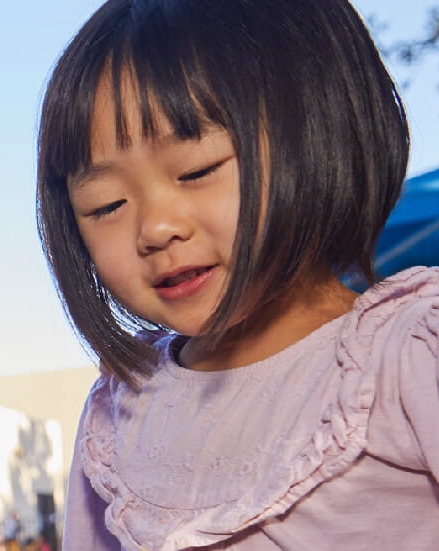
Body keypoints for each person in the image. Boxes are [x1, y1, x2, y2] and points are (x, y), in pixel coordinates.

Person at [35, 1, 439, 548]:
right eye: (106, 204)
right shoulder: (119, 412)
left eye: (196, 171)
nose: (155, 228)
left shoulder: (408, 355)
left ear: (320, 129)